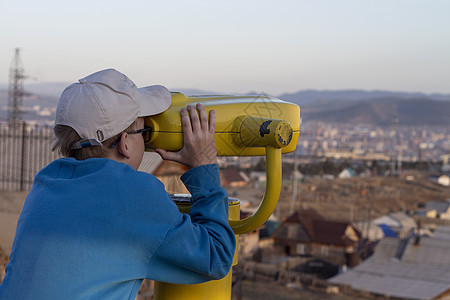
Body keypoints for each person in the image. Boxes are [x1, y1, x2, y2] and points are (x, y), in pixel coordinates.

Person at [0, 69, 236, 299]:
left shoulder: (46, 183)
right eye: (144, 133)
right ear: (125, 143)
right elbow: (216, 256)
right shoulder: (134, 194)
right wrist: (203, 166)